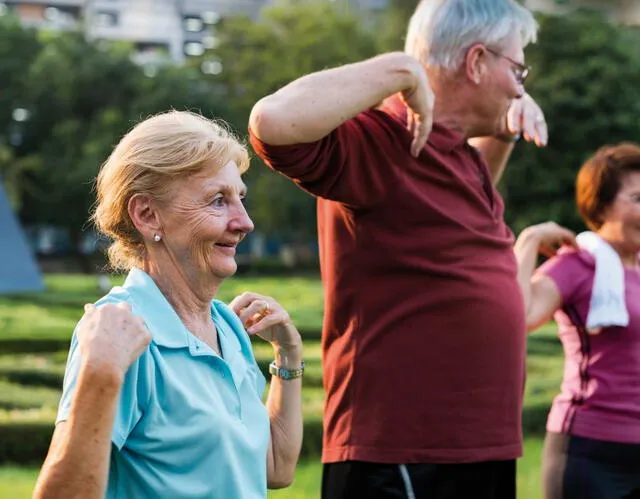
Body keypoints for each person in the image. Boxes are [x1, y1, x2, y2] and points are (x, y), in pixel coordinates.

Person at [248, 0, 547, 497]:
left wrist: (506, 131)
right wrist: (403, 68)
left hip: (479, 445)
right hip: (402, 452)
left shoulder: (458, 153)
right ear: (475, 62)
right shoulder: (384, 138)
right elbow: (272, 123)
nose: (521, 86)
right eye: (516, 69)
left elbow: (445, 227)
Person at [32, 111, 304, 499]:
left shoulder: (227, 325)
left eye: (240, 199)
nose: (245, 222)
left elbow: (274, 468)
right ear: (147, 214)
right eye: (218, 201)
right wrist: (101, 374)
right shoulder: (122, 331)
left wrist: (289, 357)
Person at [514, 143, 640, 499]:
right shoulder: (577, 264)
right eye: (637, 198)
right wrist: (529, 241)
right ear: (601, 206)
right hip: (590, 453)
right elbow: (519, 316)